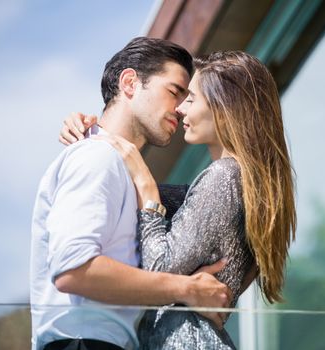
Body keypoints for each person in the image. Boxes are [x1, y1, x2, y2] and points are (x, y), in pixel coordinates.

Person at [60, 51, 296, 349]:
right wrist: (92, 131)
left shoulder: (224, 177)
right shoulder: (237, 185)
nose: (181, 109)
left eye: (191, 99)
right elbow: (134, 197)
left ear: (226, 107)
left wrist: (146, 188)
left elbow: (159, 267)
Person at [31, 37, 233, 350]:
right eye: (174, 91)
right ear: (129, 83)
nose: (181, 108)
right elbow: (74, 269)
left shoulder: (121, 171)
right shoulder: (98, 158)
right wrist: (186, 288)